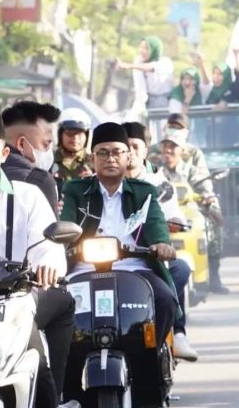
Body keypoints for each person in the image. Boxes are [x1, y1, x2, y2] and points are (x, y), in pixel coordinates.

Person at [0, 113, 75, 408]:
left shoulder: (27, 196)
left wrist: (48, 265)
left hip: (11, 299)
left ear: (5, 154)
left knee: (36, 359)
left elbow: (47, 244)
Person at [60, 122, 178, 351]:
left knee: (165, 300)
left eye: (116, 152)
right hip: (84, 269)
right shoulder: (76, 190)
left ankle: (151, 356)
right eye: (102, 152)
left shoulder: (144, 192)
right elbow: (67, 225)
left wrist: (161, 243)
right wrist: (60, 243)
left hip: (135, 269)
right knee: (56, 306)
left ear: (128, 156)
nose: (110, 158)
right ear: (92, 158)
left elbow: (155, 223)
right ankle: (66, 370)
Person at [123, 121, 198, 361]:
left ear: (145, 149)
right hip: (108, 258)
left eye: (135, 146)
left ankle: (176, 333)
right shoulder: (99, 179)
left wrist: (169, 227)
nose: (130, 152)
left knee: (180, 269)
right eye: (124, 147)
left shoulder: (158, 182)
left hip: (149, 256)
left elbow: (171, 214)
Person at [157, 132, 229, 294]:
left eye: (173, 147)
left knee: (212, 224)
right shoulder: (155, 172)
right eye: (165, 147)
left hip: (190, 210)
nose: (168, 150)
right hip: (163, 211)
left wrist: (208, 201)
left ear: (182, 150)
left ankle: (213, 274)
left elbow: (206, 189)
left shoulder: (192, 171)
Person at [1, 101, 61, 216]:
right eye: (45, 144)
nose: (49, 151)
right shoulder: (40, 181)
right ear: (22, 144)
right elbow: (50, 232)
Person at [117, 36, 174, 110]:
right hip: (148, 101)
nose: (141, 51)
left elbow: (152, 68)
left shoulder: (166, 62)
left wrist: (129, 65)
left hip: (166, 101)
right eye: (141, 47)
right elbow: (140, 87)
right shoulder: (138, 62)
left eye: (146, 48)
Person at [52, 108, 93, 183]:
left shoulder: (94, 161)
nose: (75, 138)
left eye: (80, 134)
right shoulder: (49, 161)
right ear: (60, 135)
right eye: (70, 133)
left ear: (86, 136)